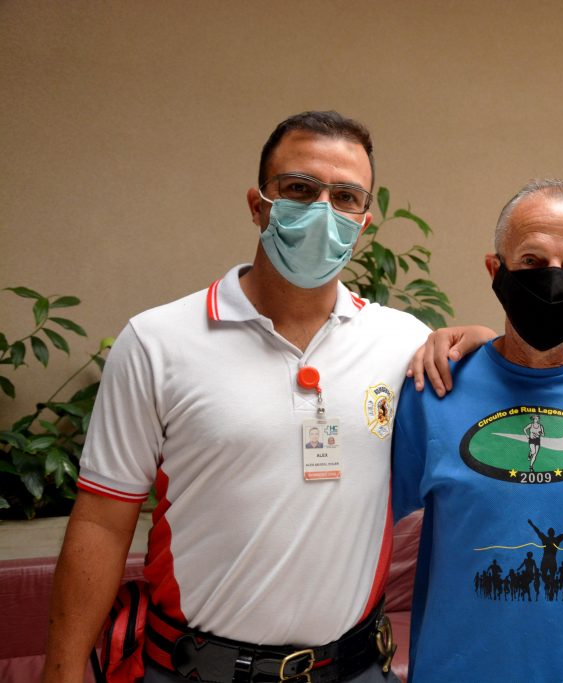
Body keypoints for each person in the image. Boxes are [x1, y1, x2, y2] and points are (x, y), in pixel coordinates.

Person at [42, 111, 432, 683]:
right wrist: (63, 668)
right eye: (300, 189)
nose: (323, 209)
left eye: (345, 197)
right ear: (258, 205)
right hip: (197, 670)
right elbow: (102, 521)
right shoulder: (157, 343)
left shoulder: (404, 342)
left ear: (363, 221)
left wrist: (495, 345)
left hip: (355, 669)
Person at [391, 179, 563, 682]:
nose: (553, 278)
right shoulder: (434, 387)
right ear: (495, 270)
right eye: (532, 260)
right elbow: (360, 531)